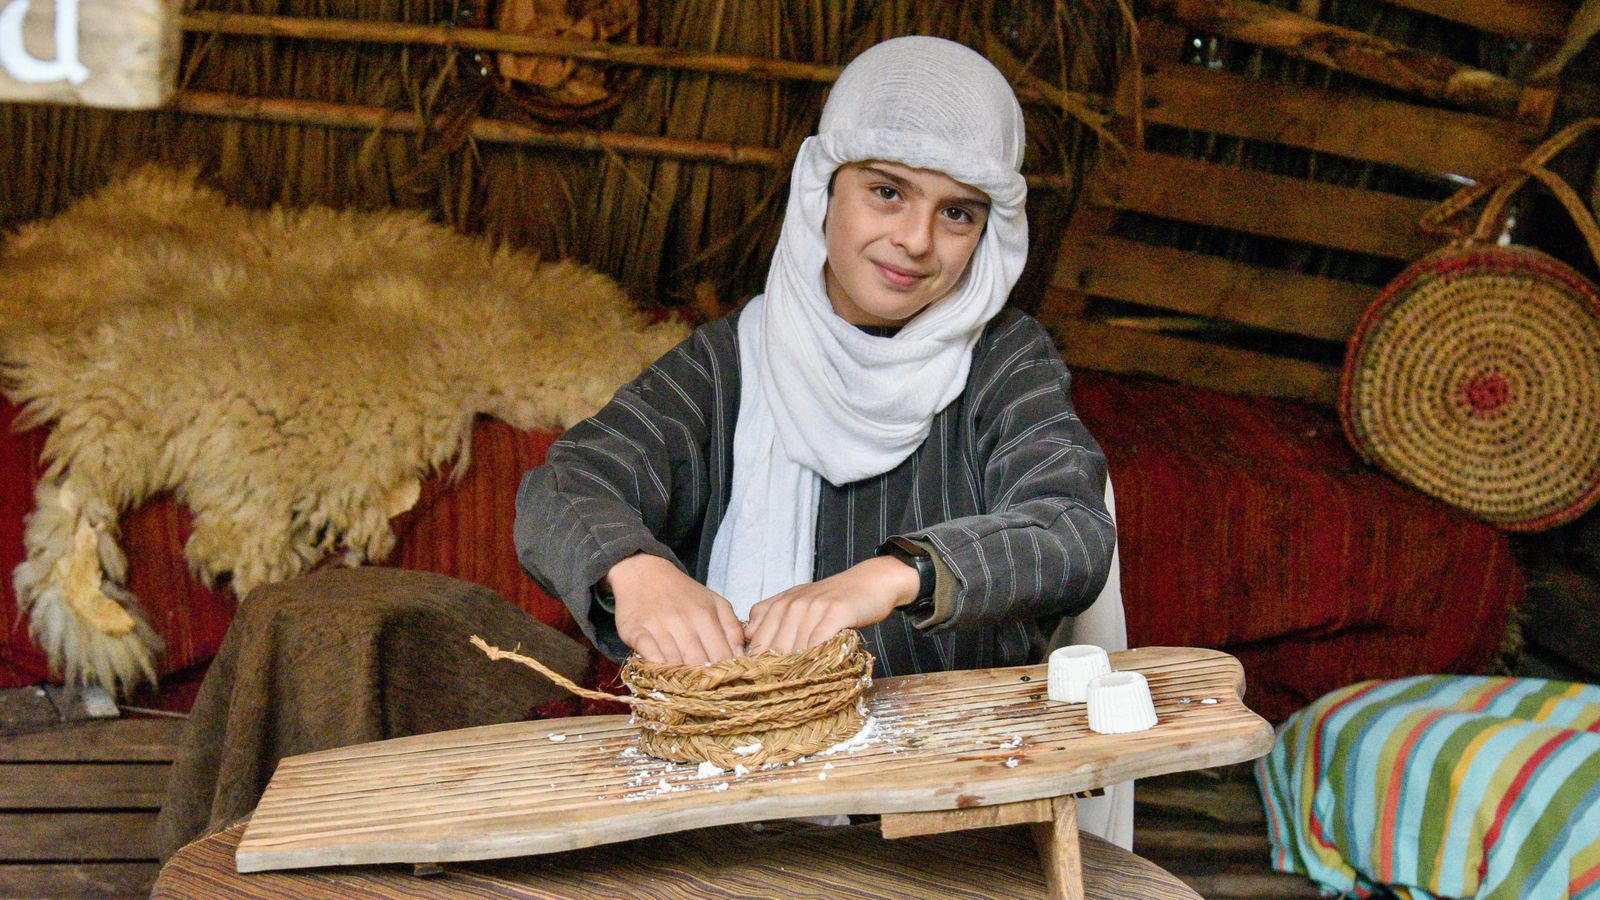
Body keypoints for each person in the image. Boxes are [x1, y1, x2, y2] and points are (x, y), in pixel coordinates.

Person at [514, 35, 1116, 678]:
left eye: (957, 213)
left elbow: (1069, 531)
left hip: (956, 755)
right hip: (750, 751)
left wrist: (896, 575)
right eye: (887, 192)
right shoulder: (732, 361)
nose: (915, 240)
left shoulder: (1006, 361)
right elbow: (567, 483)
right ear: (821, 190)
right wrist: (636, 569)